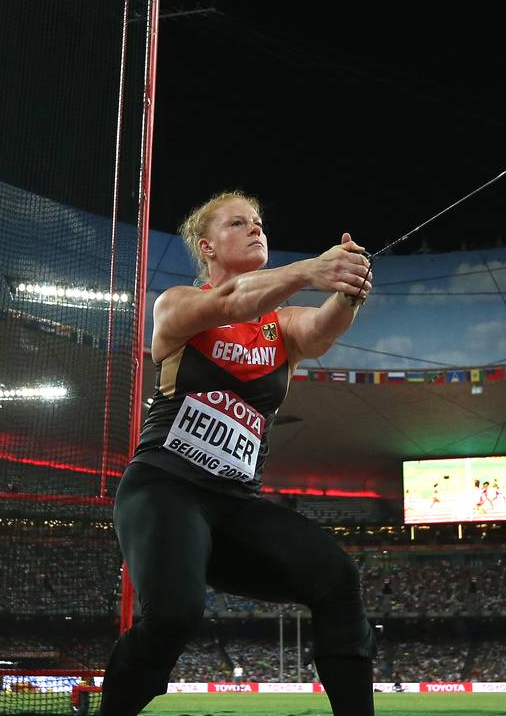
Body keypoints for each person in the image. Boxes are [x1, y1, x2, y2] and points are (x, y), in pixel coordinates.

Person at [99, 191, 376, 716]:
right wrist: (309, 270)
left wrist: (348, 292)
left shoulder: (281, 326)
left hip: (235, 506)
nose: (256, 229)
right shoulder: (177, 303)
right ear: (207, 246)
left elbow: (319, 331)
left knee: (336, 576)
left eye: (259, 222)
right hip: (164, 490)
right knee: (174, 617)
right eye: (239, 223)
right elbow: (230, 303)